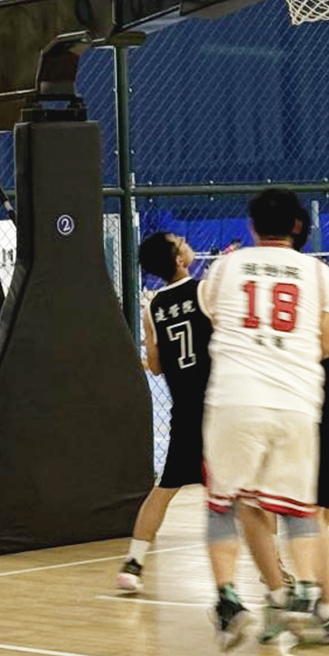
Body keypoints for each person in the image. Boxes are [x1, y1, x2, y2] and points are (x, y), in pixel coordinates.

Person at [197, 188, 329, 649]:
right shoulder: (319, 273)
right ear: (297, 227)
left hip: (235, 398)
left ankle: (228, 599)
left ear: (251, 225)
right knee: (300, 510)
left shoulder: (225, 267)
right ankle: (306, 593)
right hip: (297, 400)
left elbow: (217, 318)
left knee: (223, 503)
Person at [115, 233, 212, 594]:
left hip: (184, 411)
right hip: (218, 408)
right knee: (246, 493)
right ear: (179, 260)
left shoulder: (152, 308)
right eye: (181, 242)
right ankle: (274, 572)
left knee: (165, 488)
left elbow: (155, 366)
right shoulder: (205, 292)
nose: (187, 241)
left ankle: (133, 563)